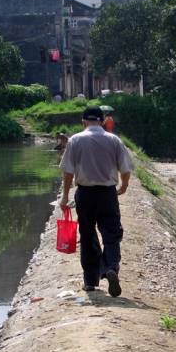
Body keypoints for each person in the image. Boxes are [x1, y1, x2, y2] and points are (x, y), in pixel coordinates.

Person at [59, 106, 133, 297]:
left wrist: (65, 196)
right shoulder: (114, 140)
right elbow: (125, 168)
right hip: (108, 194)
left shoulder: (75, 140)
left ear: (83, 121)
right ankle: (109, 268)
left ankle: (90, 281)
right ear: (102, 121)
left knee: (88, 234)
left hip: (85, 195)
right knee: (111, 234)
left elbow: (68, 171)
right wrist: (123, 186)